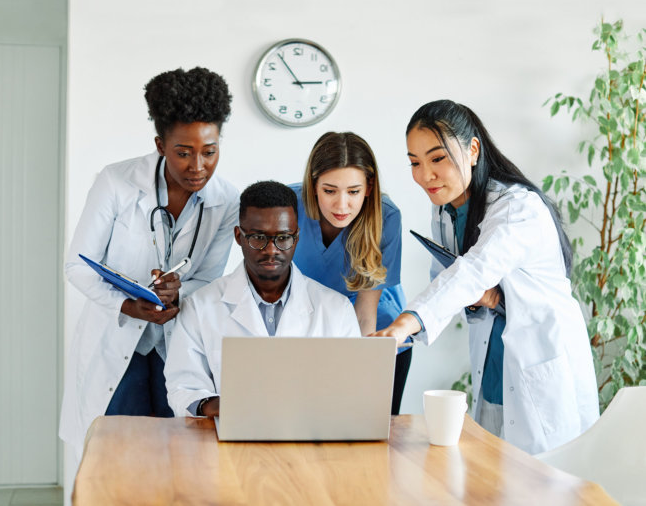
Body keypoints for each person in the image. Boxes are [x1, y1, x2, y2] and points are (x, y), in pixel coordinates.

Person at [371, 100, 599, 454]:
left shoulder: (516, 206)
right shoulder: (446, 209)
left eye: (437, 158)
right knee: (491, 481)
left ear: (472, 150)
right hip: (495, 368)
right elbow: (451, 282)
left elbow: (470, 273)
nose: (424, 174)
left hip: (540, 364)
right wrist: (485, 297)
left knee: (544, 485)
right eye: (414, 162)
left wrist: (406, 323)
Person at [60, 67, 239, 454]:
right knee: (115, 457)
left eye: (210, 152)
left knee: (179, 458)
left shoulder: (227, 201)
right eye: (183, 152)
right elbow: (77, 265)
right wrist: (127, 304)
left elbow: (209, 277)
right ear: (160, 145)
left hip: (176, 346)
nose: (197, 166)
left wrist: (178, 293)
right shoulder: (116, 182)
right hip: (117, 340)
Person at [164, 181, 361, 418]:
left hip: (310, 440)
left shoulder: (335, 309)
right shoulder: (200, 306)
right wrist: (216, 406)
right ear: (239, 236)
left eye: (283, 238)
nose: (271, 250)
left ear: (296, 237)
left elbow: (351, 391)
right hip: (227, 438)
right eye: (258, 238)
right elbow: (182, 387)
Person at [290, 132, 410, 415]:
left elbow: (365, 315)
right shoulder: (288, 204)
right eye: (329, 191)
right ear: (313, 185)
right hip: (310, 337)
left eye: (353, 192)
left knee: (368, 432)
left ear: (369, 188)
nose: (341, 205)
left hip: (372, 337)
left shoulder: (386, 217)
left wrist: (357, 379)